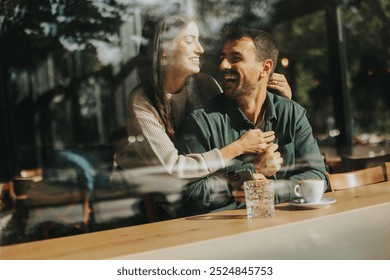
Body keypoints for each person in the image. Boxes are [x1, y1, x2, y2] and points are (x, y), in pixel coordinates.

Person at [114, 13, 292, 182]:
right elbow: (174, 170)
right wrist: (238, 148)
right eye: (190, 40)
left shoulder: (204, 84)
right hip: (150, 197)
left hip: (203, 188)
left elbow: (234, 126)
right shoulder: (142, 101)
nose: (200, 49)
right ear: (164, 49)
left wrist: (279, 102)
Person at [175, 27, 328, 215]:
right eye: (222, 57)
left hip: (286, 227)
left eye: (235, 58)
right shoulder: (200, 121)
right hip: (222, 232)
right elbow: (188, 196)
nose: (223, 65)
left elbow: (319, 175)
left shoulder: (292, 114)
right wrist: (251, 171)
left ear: (265, 68)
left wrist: (273, 190)